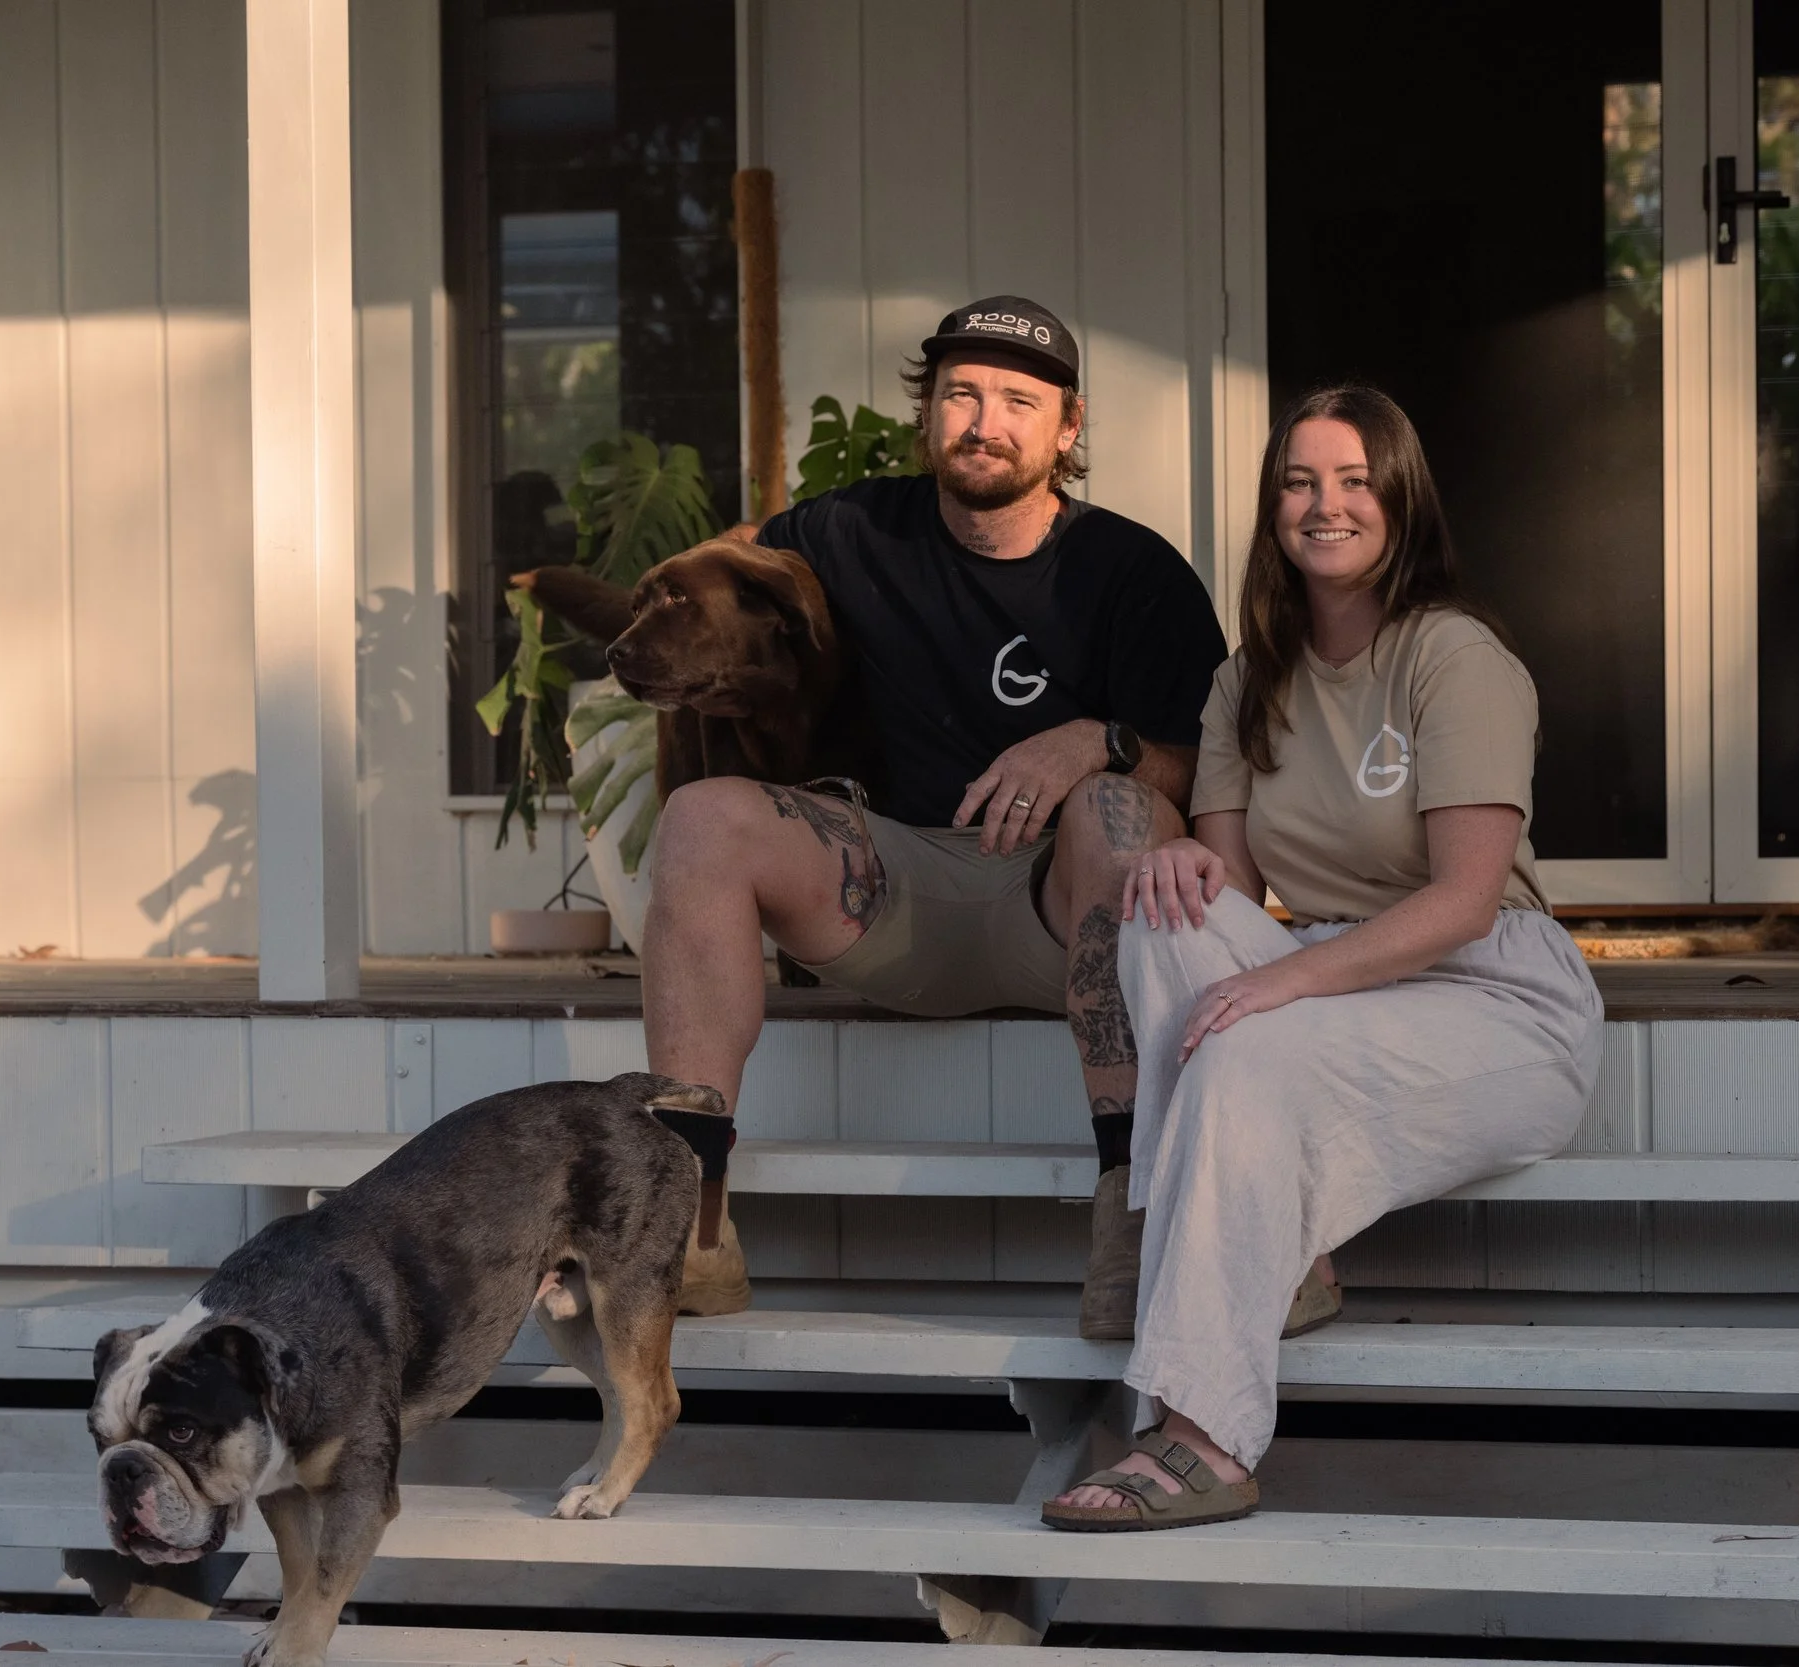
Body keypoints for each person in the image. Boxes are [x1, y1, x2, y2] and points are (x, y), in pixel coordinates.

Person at [1042, 385, 1604, 1531]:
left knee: (1246, 1059)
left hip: (1493, 991)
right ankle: (1277, 1261)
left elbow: (1460, 900)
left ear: (1400, 501)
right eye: (1299, 481)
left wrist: (1279, 979)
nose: (1324, 504)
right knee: (1160, 910)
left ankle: (1204, 1435)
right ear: (1271, 507)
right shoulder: (1246, 679)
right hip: (1335, 976)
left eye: (1354, 480)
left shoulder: (1454, 656)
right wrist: (1191, 878)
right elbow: (1237, 893)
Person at [642, 295, 1230, 1320]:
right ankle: (690, 1212)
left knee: (1114, 810)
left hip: (1069, 911)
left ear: (1067, 426)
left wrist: (1101, 738)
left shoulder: (1132, 572)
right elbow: (736, 581)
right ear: (929, 412)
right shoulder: (846, 532)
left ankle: (1131, 1209)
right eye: (960, 392)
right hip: (896, 888)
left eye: (1015, 398)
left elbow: (1208, 764)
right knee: (700, 818)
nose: (982, 419)